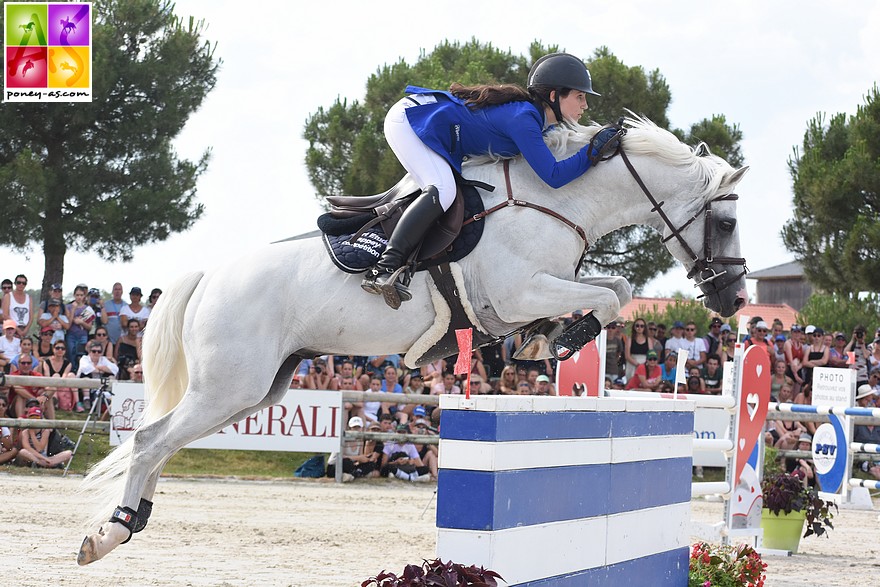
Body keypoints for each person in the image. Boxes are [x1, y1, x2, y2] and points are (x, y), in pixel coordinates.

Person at [361, 52, 619, 308]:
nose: (585, 105)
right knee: (443, 190)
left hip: (433, 125)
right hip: (410, 118)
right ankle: (384, 268)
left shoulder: (539, 121)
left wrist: (599, 144)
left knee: (447, 190)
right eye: (580, 96)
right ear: (554, 95)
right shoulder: (524, 119)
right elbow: (554, 175)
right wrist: (593, 150)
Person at [66, 284, 95, 366]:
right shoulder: (68, 307)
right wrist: (73, 310)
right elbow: (68, 323)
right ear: (74, 295)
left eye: (81, 295)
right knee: (71, 355)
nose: (79, 297)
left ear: (84, 296)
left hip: (83, 335)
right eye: (77, 295)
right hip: (71, 335)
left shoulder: (88, 309)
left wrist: (81, 322)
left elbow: (89, 327)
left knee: (81, 356)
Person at [1, 274, 34, 338]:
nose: (21, 285)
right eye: (19, 282)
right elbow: (5, 315)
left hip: (24, 329)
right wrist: (17, 329)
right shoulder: (8, 296)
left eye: (23, 283)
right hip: (10, 329)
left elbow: (31, 317)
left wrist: (26, 330)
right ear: (15, 283)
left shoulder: (29, 298)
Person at [0, 398, 18, 464]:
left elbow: (9, 447)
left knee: (14, 451)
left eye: (3, 405)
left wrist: (1, 435)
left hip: (2, 451)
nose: (1, 407)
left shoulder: (9, 422)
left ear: (6, 408)